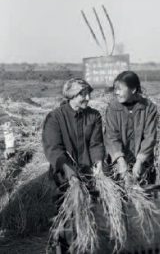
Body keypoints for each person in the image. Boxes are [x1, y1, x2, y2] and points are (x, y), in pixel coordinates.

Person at [42, 78, 105, 252]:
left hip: (88, 175)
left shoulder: (94, 116)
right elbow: (54, 150)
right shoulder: (55, 117)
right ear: (70, 96)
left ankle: (88, 246)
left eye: (88, 94)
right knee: (66, 218)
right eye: (82, 95)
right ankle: (62, 247)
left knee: (91, 215)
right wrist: (71, 175)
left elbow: (96, 144)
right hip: (64, 177)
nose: (87, 98)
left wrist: (98, 163)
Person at [104, 71, 158, 184]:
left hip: (143, 163)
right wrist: (120, 159)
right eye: (115, 89)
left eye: (120, 89)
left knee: (143, 192)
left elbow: (150, 136)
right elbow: (111, 136)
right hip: (119, 164)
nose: (116, 93)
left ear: (133, 90)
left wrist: (140, 161)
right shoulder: (113, 108)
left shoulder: (148, 108)